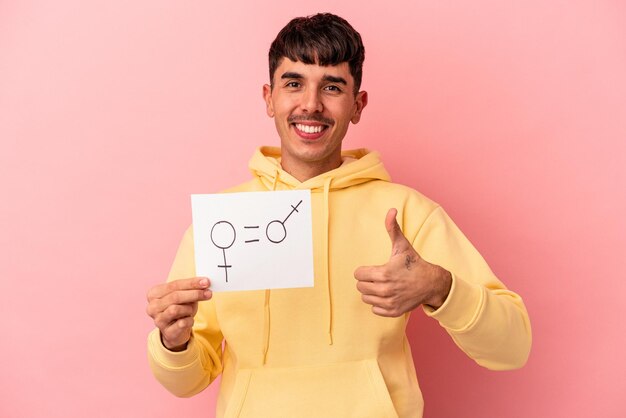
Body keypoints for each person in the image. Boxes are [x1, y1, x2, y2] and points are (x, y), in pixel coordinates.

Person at [146, 13, 531, 418]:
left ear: (357, 105)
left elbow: (512, 347)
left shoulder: (407, 214)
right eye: (293, 84)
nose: (311, 105)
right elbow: (186, 383)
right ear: (268, 98)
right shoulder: (221, 223)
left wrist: (440, 287)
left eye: (332, 87)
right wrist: (174, 343)